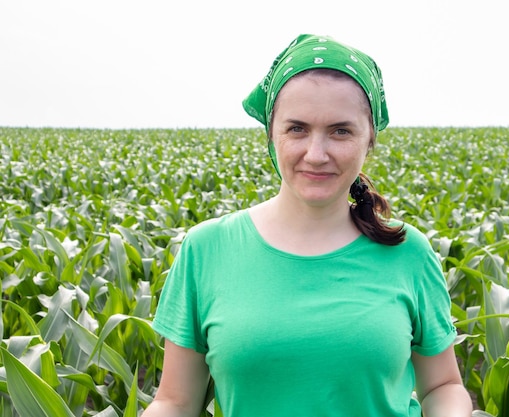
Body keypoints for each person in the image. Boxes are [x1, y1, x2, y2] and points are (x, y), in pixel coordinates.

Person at [142, 34, 473, 417]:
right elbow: (175, 402)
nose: (316, 155)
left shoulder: (407, 251)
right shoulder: (207, 249)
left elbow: (442, 386)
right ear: (271, 134)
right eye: (297, 129)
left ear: (370, 140)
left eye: (341, 131)